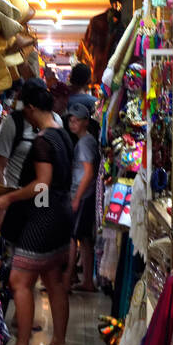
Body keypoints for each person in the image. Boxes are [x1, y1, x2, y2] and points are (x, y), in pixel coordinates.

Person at [0, 80, 74, 345]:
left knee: (19, 280)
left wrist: (8, 199)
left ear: (30, 107)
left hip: (44, 217)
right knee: (53, 280)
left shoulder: (42, 141)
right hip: (62, 213)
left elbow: (42, 185)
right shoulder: (62, 134)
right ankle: (57, 344)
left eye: (24, 109)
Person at [65, 100, 99, 291]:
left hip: (83, 194)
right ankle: (87, 281)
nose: (72, 123)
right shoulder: (87, 141)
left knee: (72, 237)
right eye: (71, 120)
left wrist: (76, 197)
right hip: (86, 194)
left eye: (76, 120)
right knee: (85, 240)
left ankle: (68, 278)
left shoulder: (85, 143)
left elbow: (88, 173)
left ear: (86, 121)